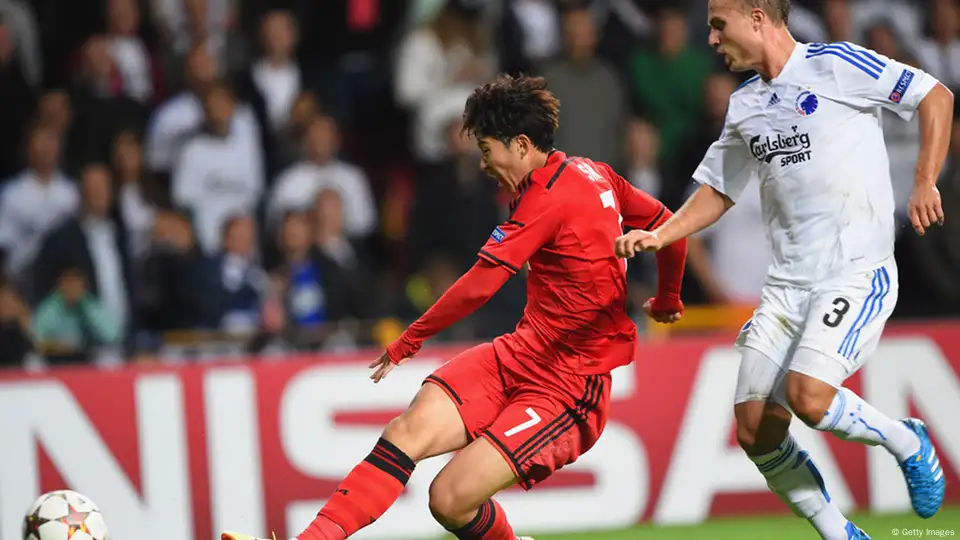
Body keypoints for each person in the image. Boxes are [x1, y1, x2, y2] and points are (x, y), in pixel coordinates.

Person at [223, 74, 687, 540]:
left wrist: (411, 338)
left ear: (521, 145)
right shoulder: (594, 172)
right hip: (517, 355)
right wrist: (667, 299)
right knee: (405, 432)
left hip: (568, 388)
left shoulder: (546, 199)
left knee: (448, 498)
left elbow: (479, 286)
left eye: (488, 152)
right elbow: (669, 226)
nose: (484, 165)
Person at [614, 0, 951, 538]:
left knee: (809, 398)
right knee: (755, 432)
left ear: (756, 18)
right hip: (786, 288)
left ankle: (905, 439)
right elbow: (719, 189)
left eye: (717, 26)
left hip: (854, 272)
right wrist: (661, 234)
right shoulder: (745, 104)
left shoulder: (837, 64)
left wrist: (924, 179)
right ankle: (839, 533)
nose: (710, 40)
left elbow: (934, 94)